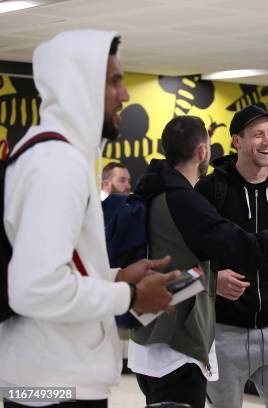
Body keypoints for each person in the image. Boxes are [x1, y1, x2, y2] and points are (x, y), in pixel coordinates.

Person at [128, 114, 268, 408]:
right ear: (204, 151)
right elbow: (252, 250)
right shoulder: (188, 200)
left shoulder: (154, 192)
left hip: (160, 343)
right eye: (258, 134)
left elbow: (173, 273)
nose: (267, 141)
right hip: (177, 348)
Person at [1, 31, 176, 408]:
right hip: (53, 386)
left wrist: (115, 276)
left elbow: (54, 266)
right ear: (79, 83)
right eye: (114, 81)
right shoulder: (57, 162)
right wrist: (129, 295)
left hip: (46, 378)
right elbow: (35, 288)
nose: (125, 95)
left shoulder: (56, 155)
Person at [195, 105, 268, 408]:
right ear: (237, 141)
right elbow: (189, 252)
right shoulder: (211, 189)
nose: (267, 142)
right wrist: (213, 279)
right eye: (258, 135)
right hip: (225, 335)